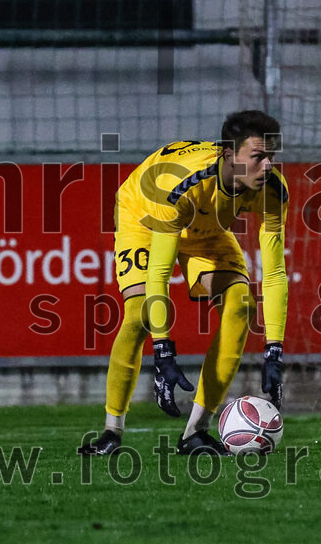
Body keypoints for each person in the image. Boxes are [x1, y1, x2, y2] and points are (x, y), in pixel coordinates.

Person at [78, 109, 288, 457]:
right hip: (144, 215)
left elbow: (276, 273)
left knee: (242, 306)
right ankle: (111, 432)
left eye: (272, 157)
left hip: (204, 229)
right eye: (258, 157)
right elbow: (160, 273)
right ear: (229, 155)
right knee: (140, 316)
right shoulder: (182, 187)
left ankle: (195, 432)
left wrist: (274, 351)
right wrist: (163, 350)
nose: (268, 166)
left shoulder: (272, 191)